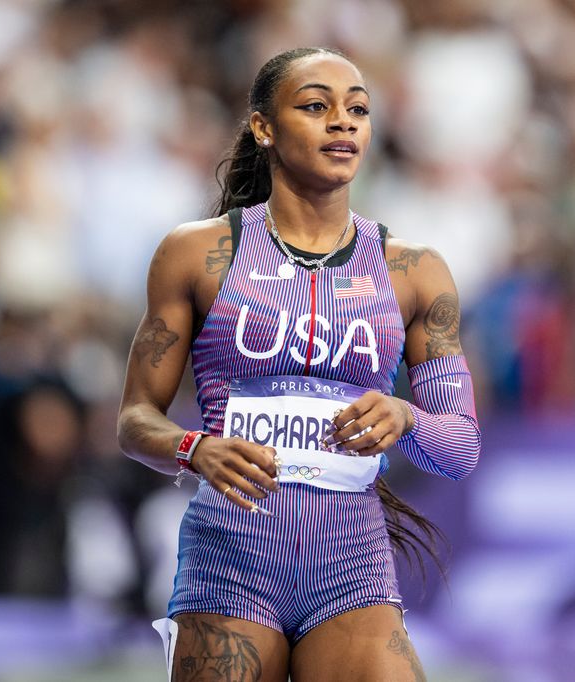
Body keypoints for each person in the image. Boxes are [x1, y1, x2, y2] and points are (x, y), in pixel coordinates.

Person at [116, 47, 481, 681]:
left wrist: (403, 415)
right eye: (316, 107)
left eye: (358, 110)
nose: (343, 122)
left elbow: (461, 447)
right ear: (264, 128)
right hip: (229, 564)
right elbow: (133, 420)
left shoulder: (416, 272)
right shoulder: (197, 254)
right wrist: (194, 448)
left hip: (351, 567)